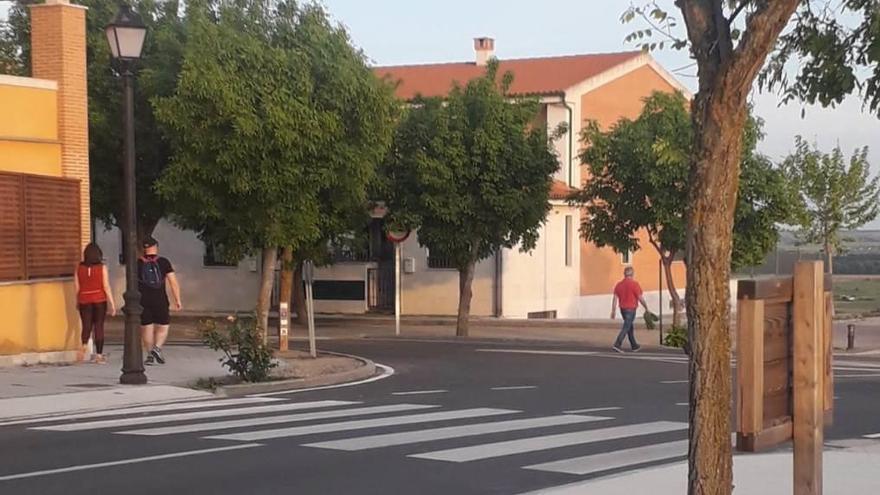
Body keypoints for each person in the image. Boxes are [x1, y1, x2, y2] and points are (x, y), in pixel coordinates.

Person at [138, 236, 182, 365]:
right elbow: (173, 282)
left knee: (147, 327)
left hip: (143, 299)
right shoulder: (164, 262)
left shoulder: (138, 263)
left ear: (144, 249)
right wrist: (177, 299)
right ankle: (157, 348)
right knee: (163, 326)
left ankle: (149, 355)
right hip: (160, 299)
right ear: (155, 247)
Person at [74, 243, 116, 363]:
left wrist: (77, 300)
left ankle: (83, 345)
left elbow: (76, 287)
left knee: (86, 325)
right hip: (99, 299)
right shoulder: (102, 267)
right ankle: (98, 355)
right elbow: (106, 286)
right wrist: (112, 303)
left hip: (84, 299)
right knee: (99, 326)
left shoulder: (78, 268)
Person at [610, 266, 650, 353]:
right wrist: (646, 307)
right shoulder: (634, 284)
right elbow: (640, 297)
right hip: (631, 309)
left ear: (624, 274)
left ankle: (634, 345)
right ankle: (617, 344)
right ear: (632, 274)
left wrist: (613, 311)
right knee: (626, 327)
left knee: (629, 327)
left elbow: (615, 299)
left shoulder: (619, 285)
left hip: (622, 309)